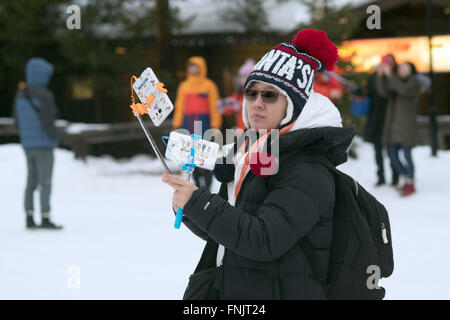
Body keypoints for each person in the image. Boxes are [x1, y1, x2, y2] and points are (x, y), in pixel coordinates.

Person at [162, 29, 356, 299]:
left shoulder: (307, 167)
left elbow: (264, 240)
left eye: (270, 95)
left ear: (294, 106)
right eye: (251, 93)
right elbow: (226, 233)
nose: (257, 103)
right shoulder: (249, 151)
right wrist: (189, 207)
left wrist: (199, 203)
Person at [12, 57, 62, 230]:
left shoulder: (21, 94)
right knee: (45, 182)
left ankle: (29, 217)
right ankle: (46, 217)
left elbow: (17, 121)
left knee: (30, 182)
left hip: (28, 146)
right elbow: (48, 122)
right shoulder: (45, 95)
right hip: (44, 146)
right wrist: (55, 137)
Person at [172, 56, 222, 190]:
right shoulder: (184, 86)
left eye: (196, 66)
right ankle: (196, 182)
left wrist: (215, 125)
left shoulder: (209, 85)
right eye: (190, 66)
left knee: (205, 154)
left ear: (202, 68)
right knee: (190, 154)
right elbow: (180, 106)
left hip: (204, 124)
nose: (193, 69)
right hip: (188, 124)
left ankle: (207, 182)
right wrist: (177, 124)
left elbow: (214, 106)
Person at [376, 61, 421, 197]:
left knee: (407, 155)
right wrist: (380, 76)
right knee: (392, 155)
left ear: (412, 70)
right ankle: (407, 178)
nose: (402, 70)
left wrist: (391, 76)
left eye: (405, 68)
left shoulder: (414, 83)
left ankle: (410, 183)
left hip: (406, 126)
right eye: (400, 68)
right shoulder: (394, 83)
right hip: (393, 127)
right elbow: (383, 92)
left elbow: (403, 90)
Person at [364, 54, 399, 187]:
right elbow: (368, 93)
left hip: (391, 118)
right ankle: (381, 177)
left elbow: (390, 93)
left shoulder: (394, 78)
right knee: (377, 150)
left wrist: (388, 76)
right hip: (376, 117)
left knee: (392, 150)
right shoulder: (374, 77)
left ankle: (395, 177)